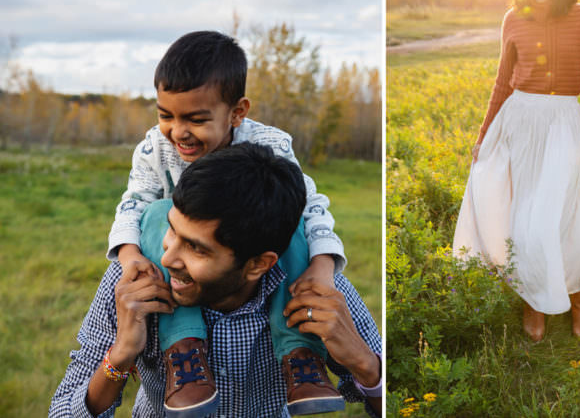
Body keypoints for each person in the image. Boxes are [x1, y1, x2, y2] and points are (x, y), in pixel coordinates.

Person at [106, 31, 349, 415]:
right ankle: (183, 349)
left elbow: (310, 206)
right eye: (166, 115)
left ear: (237, 113)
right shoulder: (154, 149)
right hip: (182, 268)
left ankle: (299, 353)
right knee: (156, 213)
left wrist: (322, 267)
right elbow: (133, 204)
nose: (178, 131)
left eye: (197, 119)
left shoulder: (271, 145)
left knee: (292, 221)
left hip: (256, 251)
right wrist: (130, 254)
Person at [49, 143, 382, 417]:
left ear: (257, 265)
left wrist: (365, 364)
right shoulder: (136, 281)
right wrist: (120, 355)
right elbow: (61, 411)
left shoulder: (316, 288)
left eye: (195, 248)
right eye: (172, 231)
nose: (167, 259)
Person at [452, 0, 580, 343]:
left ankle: (579, 296)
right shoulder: (512, 19)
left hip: (562, 123)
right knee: (523, 218)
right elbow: (501, 83)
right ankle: (534, 298)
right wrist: (483, 135)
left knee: (562, 216)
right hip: (519, 123)